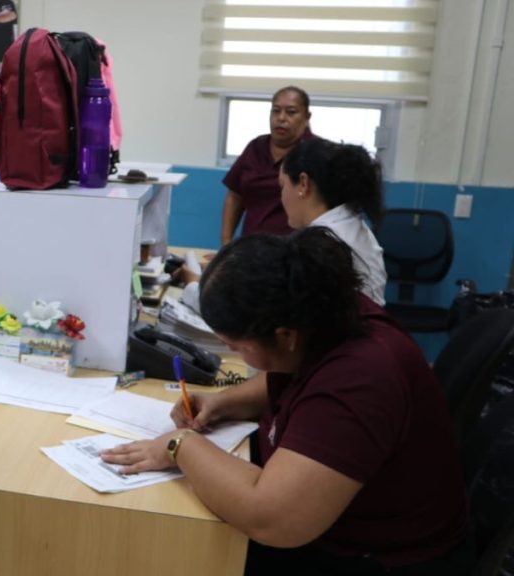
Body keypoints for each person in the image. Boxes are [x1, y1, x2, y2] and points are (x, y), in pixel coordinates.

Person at [102, 228, 473, 575]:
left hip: (382, 558)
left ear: (285, 336)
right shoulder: (326, 313)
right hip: (344, 529)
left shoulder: (361, 378)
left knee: (176, 552)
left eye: (239, 347)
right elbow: (293, 376)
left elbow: (273, 520)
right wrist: (224, 403)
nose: (237, 355)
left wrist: (179, 444)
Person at [280, 138, 387, 305]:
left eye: (282, 186)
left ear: (303, 183)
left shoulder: (322, 243)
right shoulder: (350, 224)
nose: (282, 196)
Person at [221, 86, 315, 245]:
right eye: (276, 111)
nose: (281, 118)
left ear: (306, 117)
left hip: (295, 252)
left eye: (291, 112)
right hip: (251, 249)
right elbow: (235, 195)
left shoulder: (316, 152)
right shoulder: (255, 147)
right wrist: (226, 244)